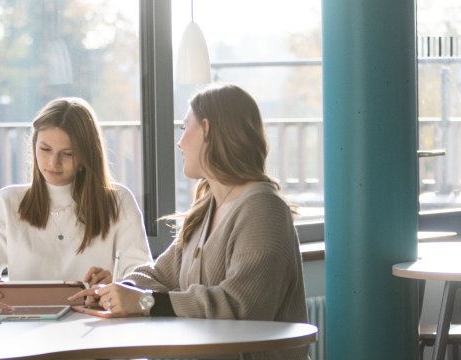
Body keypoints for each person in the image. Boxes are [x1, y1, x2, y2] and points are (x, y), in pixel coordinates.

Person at [68, 83, 308, 360]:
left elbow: (241, 306)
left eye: (184, 128)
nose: (179, 142)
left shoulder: (263, 209)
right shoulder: (207, 206)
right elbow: (161, 275)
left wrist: (145, 303)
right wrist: (119, 292)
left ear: (206, 129)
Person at [0, 97, 151, 301]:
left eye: (67, 154)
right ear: (34, 145)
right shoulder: (7, 203)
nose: (53, 163)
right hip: (25, 325)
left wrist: (117, 285)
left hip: (92, 323)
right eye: (45, 149)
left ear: (86, 155)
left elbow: (143, 276)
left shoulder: (118, 201)